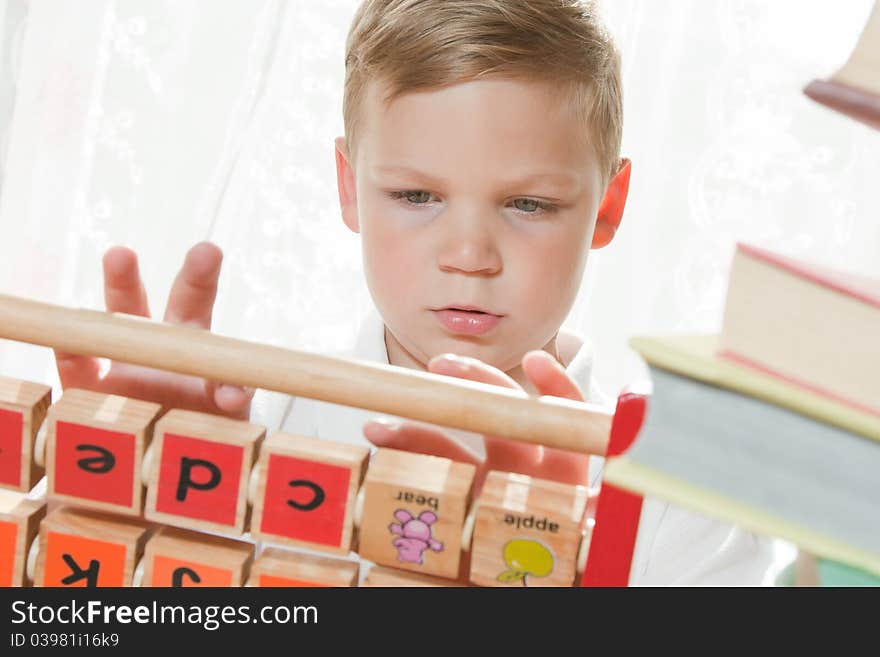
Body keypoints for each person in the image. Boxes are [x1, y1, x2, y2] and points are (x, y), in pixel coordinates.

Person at [54, 0, 774, 585]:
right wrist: (129, 506)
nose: (468, 256)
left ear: (607, 207)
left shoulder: (684, 504)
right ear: (349, 189)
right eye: (416, 194)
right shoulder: (251, 432)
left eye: (528, 205)